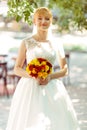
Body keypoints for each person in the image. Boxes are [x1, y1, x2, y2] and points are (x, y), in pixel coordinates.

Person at [6, 7, 80, 130]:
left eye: (47, 19)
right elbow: (17, 68)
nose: (43, 21)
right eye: (39, 18)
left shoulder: (56, 43)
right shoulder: (26, 42)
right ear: (34, 21)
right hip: (29, 86)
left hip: (52, 86)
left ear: (51, 22)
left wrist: (50, 76)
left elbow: (65, 70)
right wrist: (33, 75)